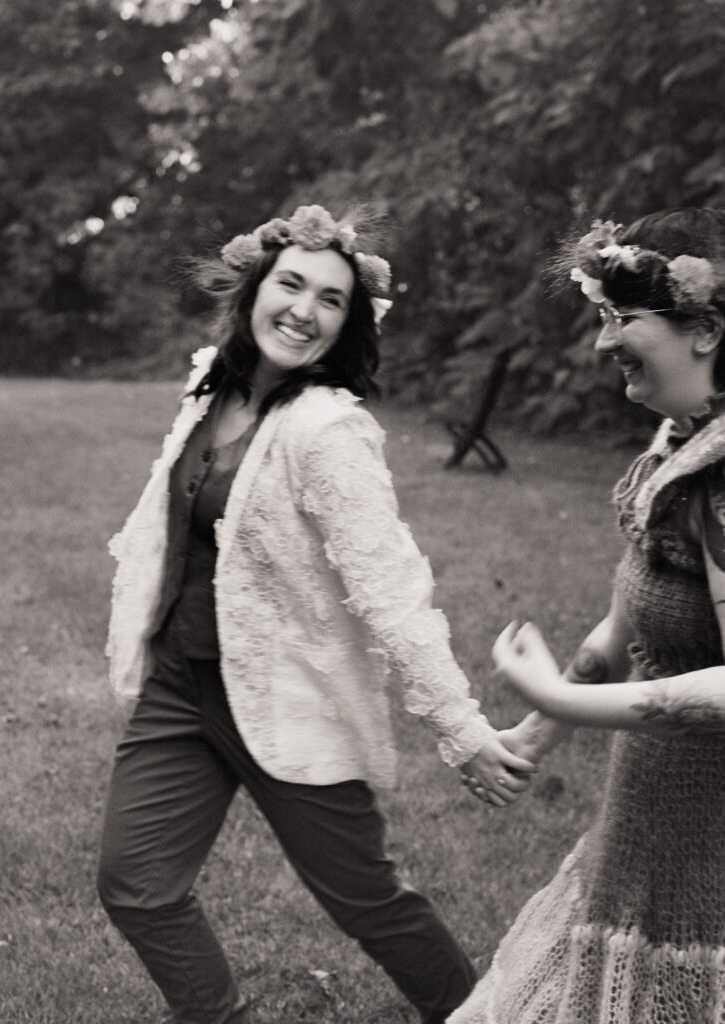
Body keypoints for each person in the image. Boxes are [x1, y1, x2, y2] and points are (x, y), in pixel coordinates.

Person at [96, 204, 535, 1024]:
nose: (304, 309)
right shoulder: (210, 384)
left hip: (287, 698)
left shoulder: (328, 431)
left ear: (347, 324)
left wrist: (463, 728)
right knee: (136, 885)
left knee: (368, 901)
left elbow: (390, 589)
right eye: (291, 284)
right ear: (254, 288)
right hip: (183, 688)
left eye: (331, 299)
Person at [449, 206, 725, 1024]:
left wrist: (565, 702)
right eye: (601, 318)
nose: (603, 344)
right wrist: (532, 736)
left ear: (705, 329)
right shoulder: (680, 445)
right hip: (650, 821)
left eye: (622, 320)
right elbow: (622, 628)